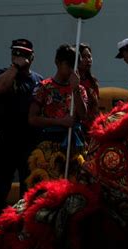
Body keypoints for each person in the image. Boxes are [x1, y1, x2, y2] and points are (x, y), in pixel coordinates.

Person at [0, 39, 43, 228]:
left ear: (32, 57)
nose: (20, 57)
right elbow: (0, 88)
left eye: (24, 54)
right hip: (4, 139)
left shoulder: (39, 81)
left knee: (28, 187)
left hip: (29, 141)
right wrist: (15, 68)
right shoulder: (1, 74)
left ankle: (23, 227)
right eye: (16, 53)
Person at [26, 44, 88, 187]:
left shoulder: (80, 89)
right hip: (50, 143)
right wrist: (61, 122)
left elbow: (83, 114)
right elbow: (32, 119)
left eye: (75, 66)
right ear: (57, 62)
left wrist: (76, 90)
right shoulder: (44, 87)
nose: (72, 70)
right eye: (68, 64)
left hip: (74, 144)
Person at [78, 43, 100, 129]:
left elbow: (96, 108)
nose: (88, 60)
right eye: (83, 57)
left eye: (89, 56)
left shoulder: (93, 81)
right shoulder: (71, 81)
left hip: (92, 127)